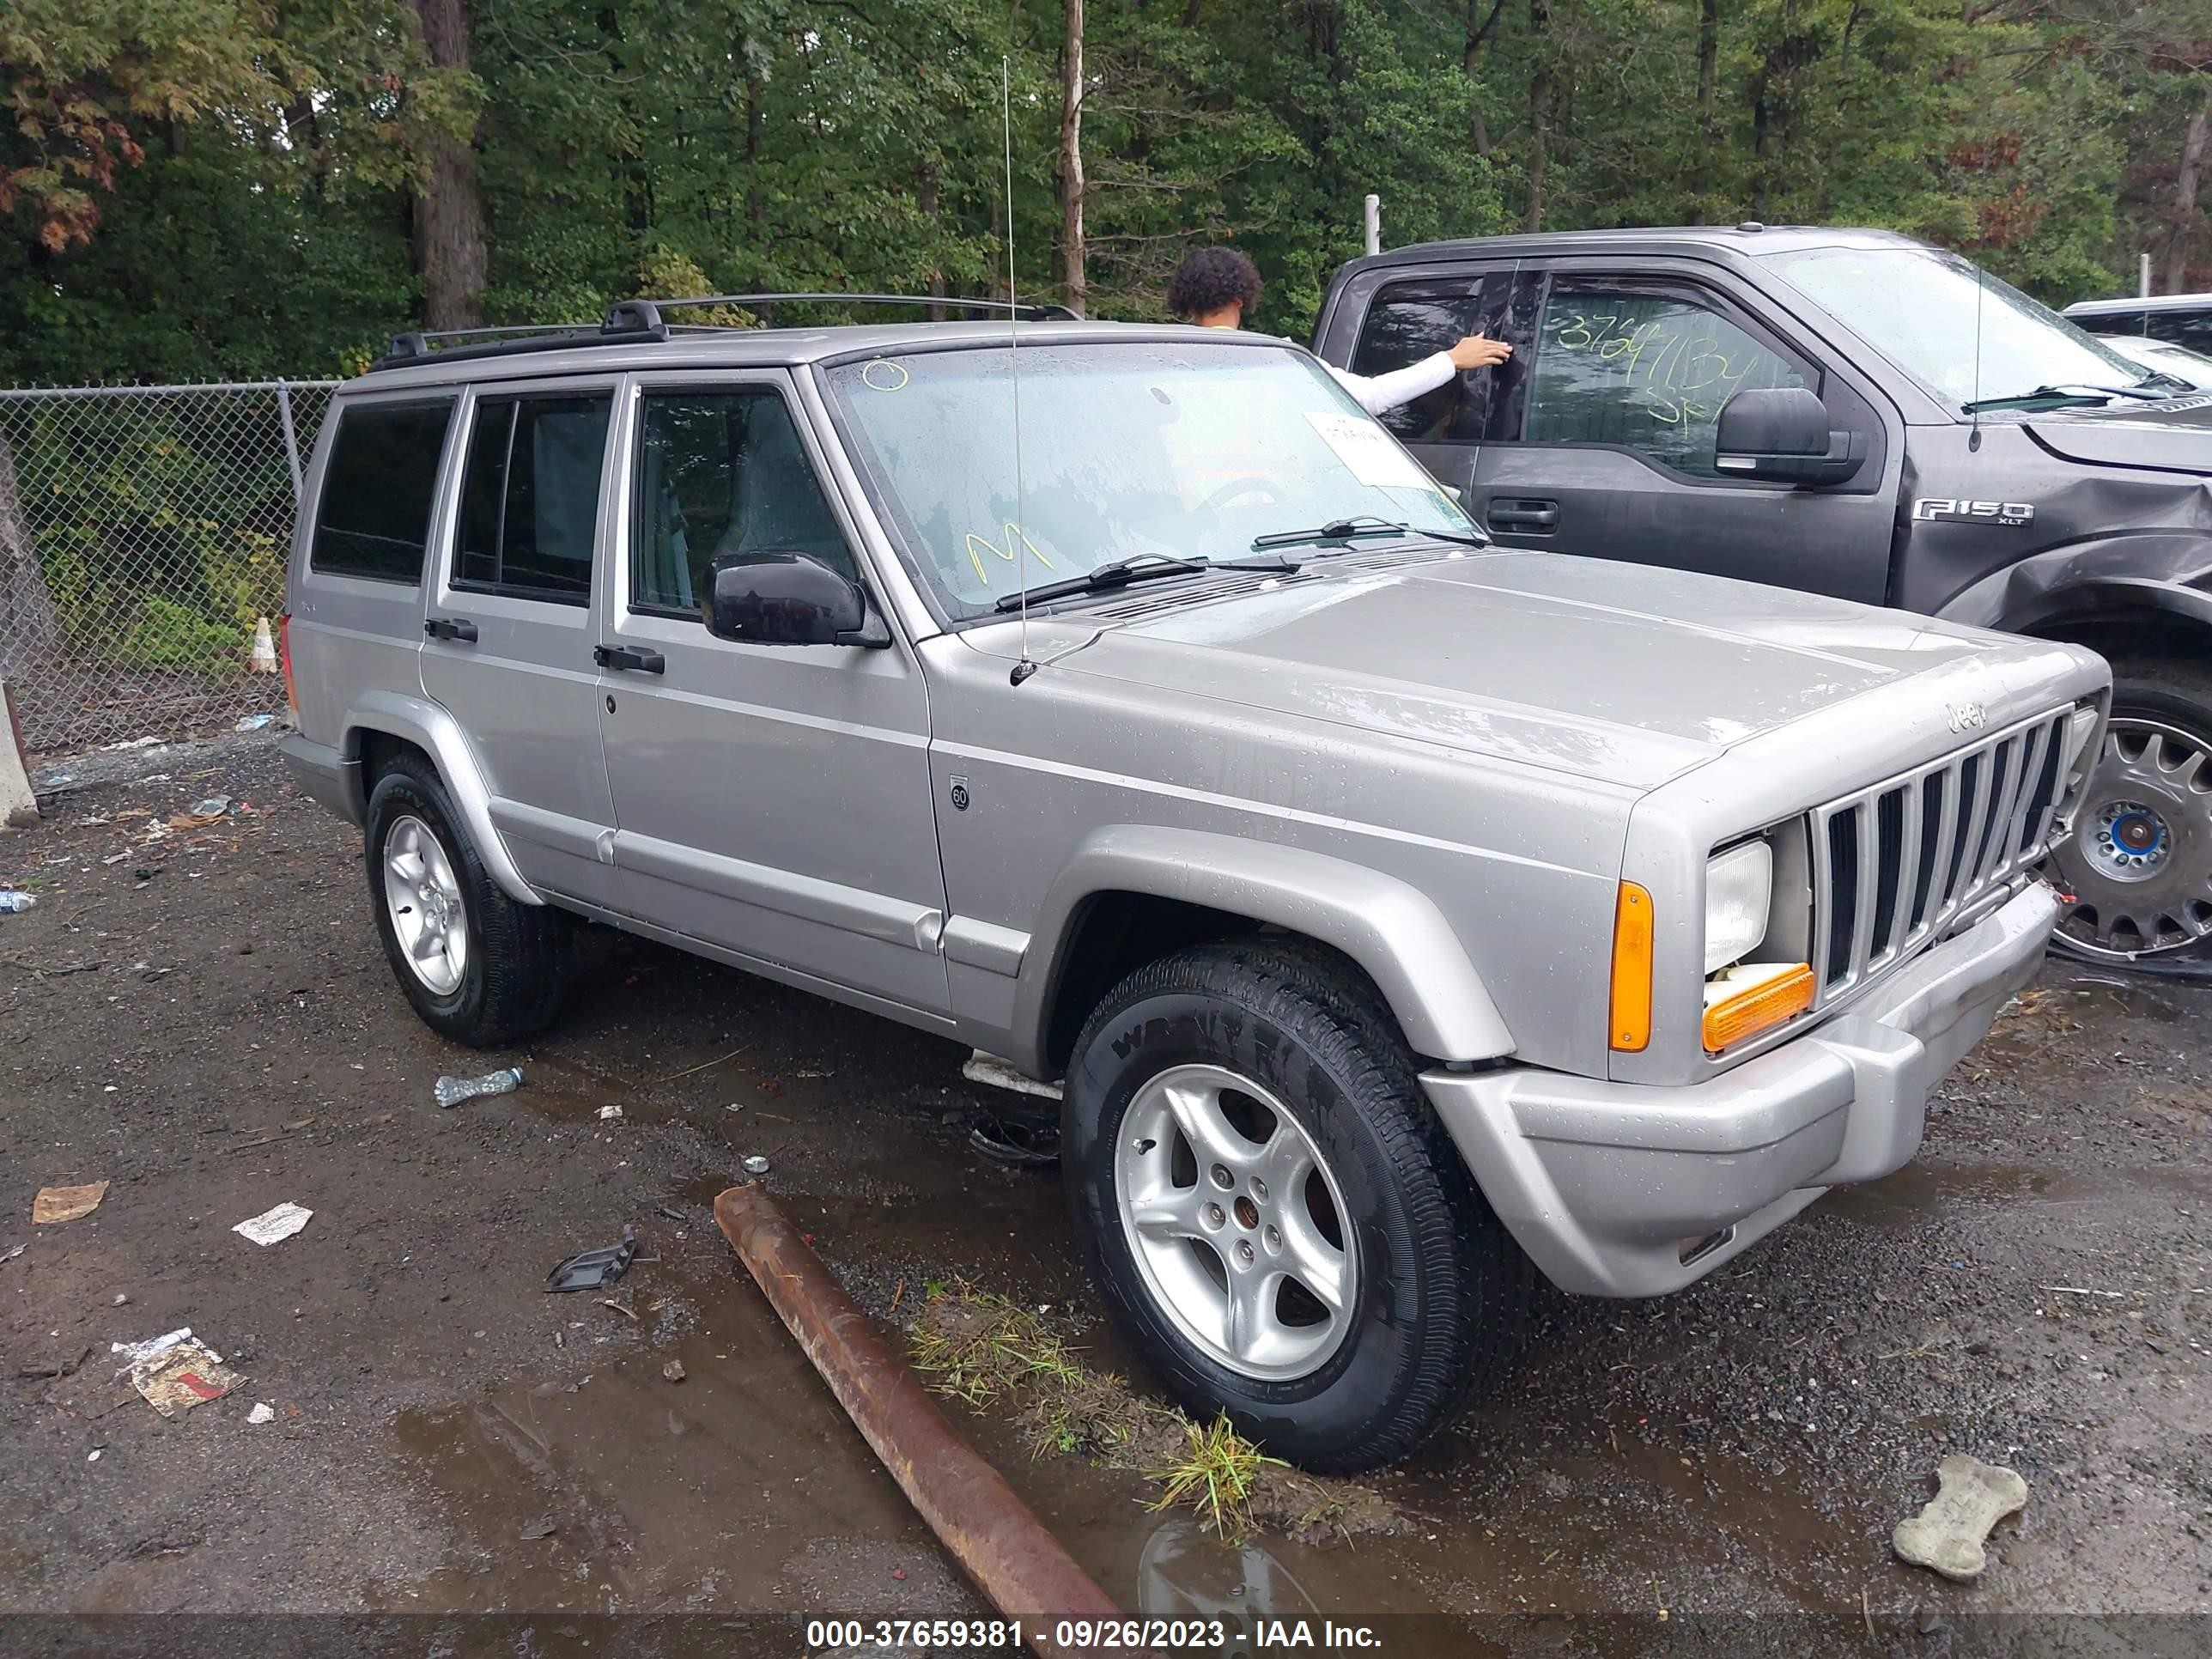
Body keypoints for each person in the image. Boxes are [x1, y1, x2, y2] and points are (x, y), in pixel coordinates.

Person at [1165, 246, 1510, 416]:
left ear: (1188, 305)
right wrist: (1451, 359)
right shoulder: (1276, 361)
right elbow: (1372, 396)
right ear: (1241, 299)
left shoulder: (1161, 365)